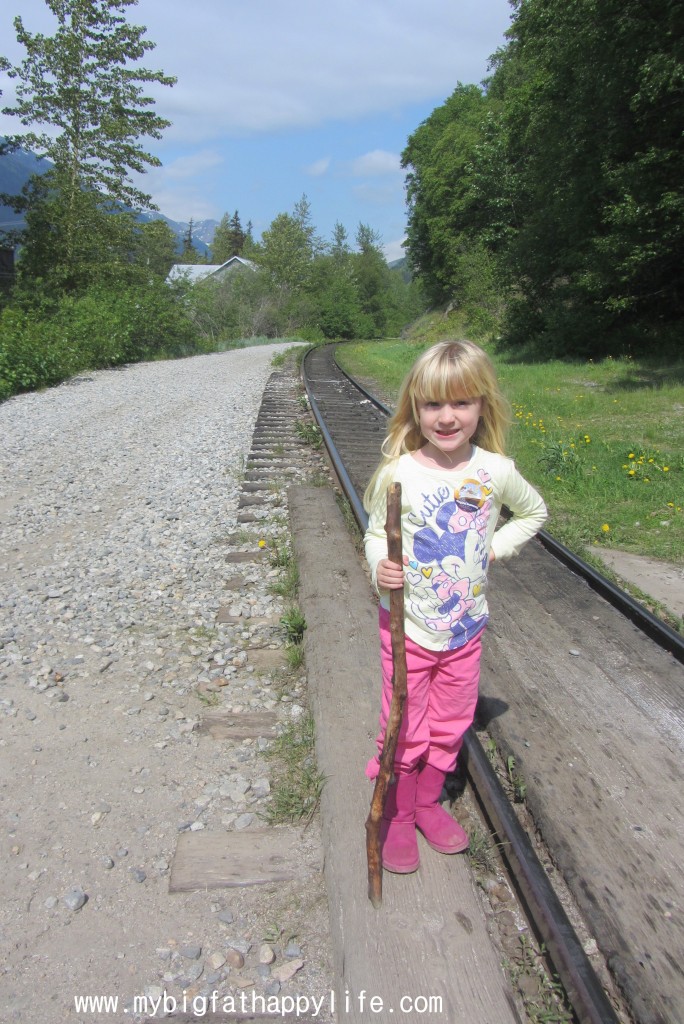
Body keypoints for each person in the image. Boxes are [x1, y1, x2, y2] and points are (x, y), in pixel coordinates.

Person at [364, 339, 547, 873]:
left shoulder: (494, 469)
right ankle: (397, 811)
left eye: (461, 403)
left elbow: (533, 512)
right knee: (402, 720)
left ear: (482, 407)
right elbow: (377, 533)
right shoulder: (398, 473)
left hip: (465, 629)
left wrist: (496, 546)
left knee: (450, 719)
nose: (446, 418)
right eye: (433, 405)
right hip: (409, 629)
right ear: (414, 408)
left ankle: (426, 801)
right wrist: (380, 563)